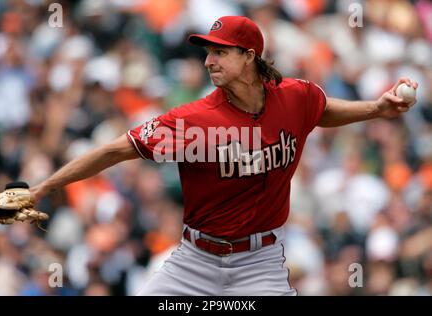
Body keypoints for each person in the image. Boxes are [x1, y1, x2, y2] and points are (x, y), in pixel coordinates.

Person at [30, 16, 418, 295]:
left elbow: (321, 110)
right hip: (194, 261)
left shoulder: (295, 95)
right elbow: (114, 150)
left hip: (260, 262)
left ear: (250, 56)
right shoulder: (193, 119)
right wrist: (44, 187)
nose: (208, 61)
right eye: (208, 52)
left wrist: (376, 109)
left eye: (220, 52)